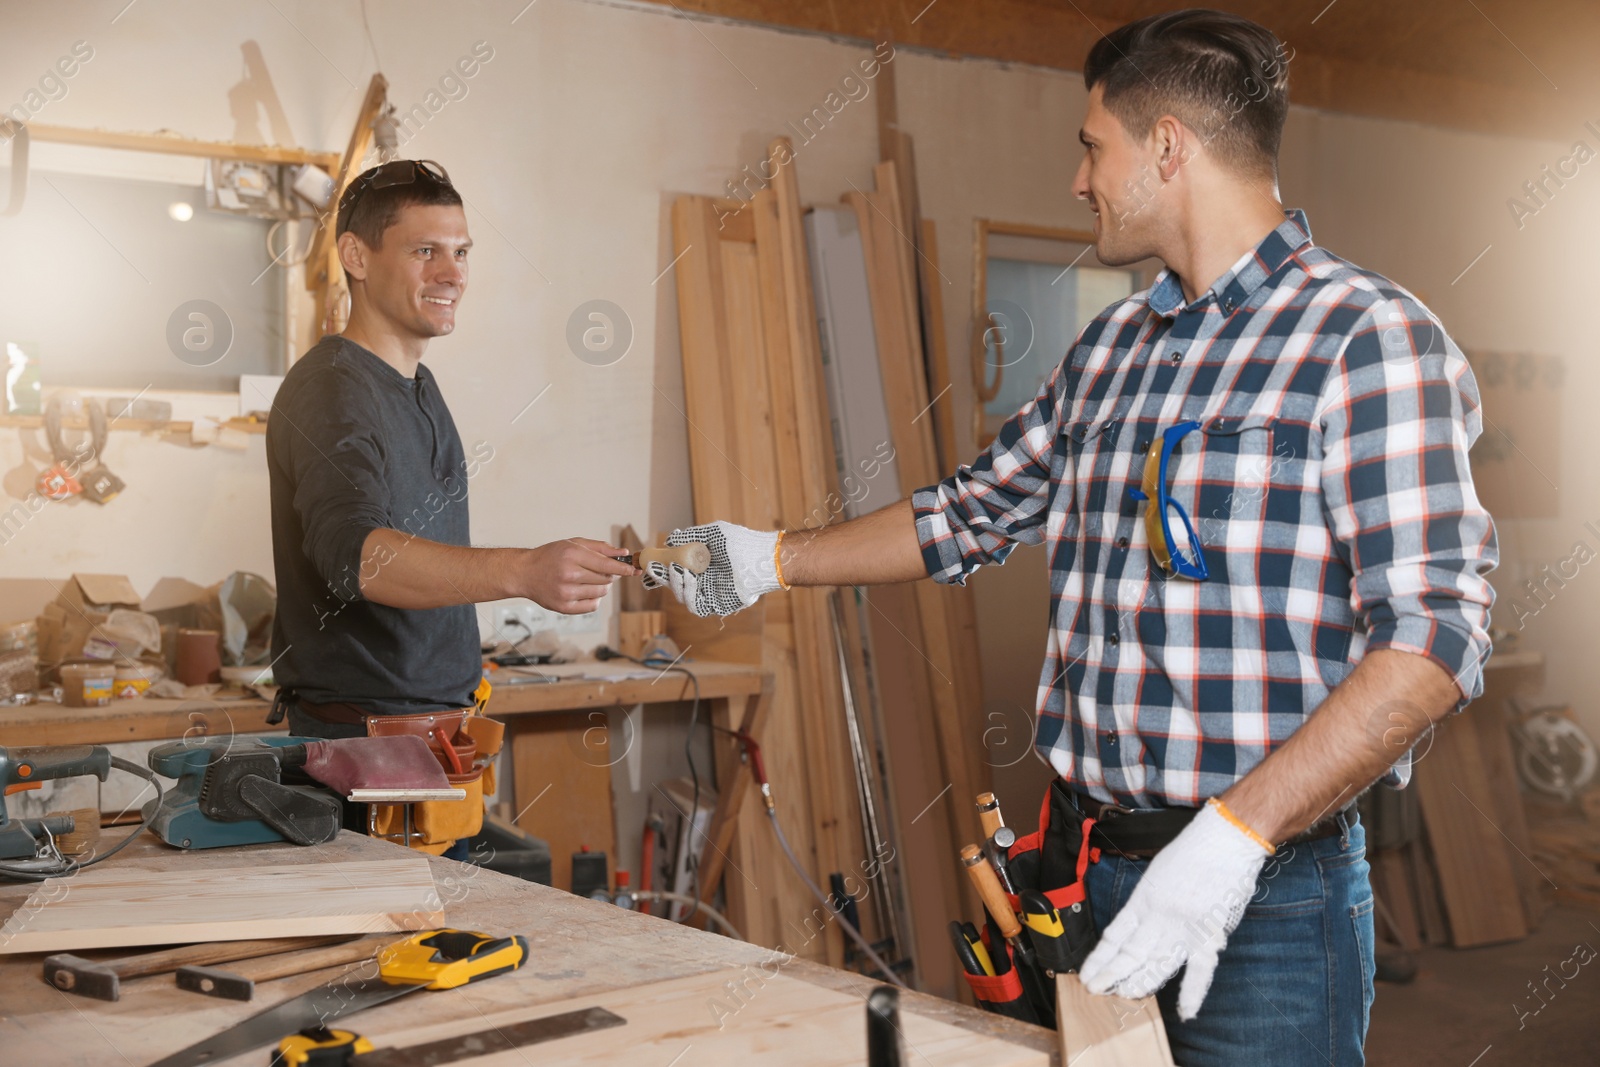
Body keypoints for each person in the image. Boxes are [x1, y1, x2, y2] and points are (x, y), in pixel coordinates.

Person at [655, 11, 1495, 1065]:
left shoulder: (1367, 340)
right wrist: (772, 556)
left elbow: (1433, 640)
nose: (1077, 179)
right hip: (1083, 867)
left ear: (1168, 146)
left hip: (1269, 900)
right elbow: (967, 515)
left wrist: (1232, 839)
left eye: (1091, 145)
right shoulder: (1111, 349)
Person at [266, 160, 637, 847]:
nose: (452, 273)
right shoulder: (332, 391)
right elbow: (359, 560)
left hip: (435, 749)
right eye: (424, 250)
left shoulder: (419, 385)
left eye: (461, 252)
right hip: (365, 759)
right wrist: (524, 571)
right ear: (356, 256)